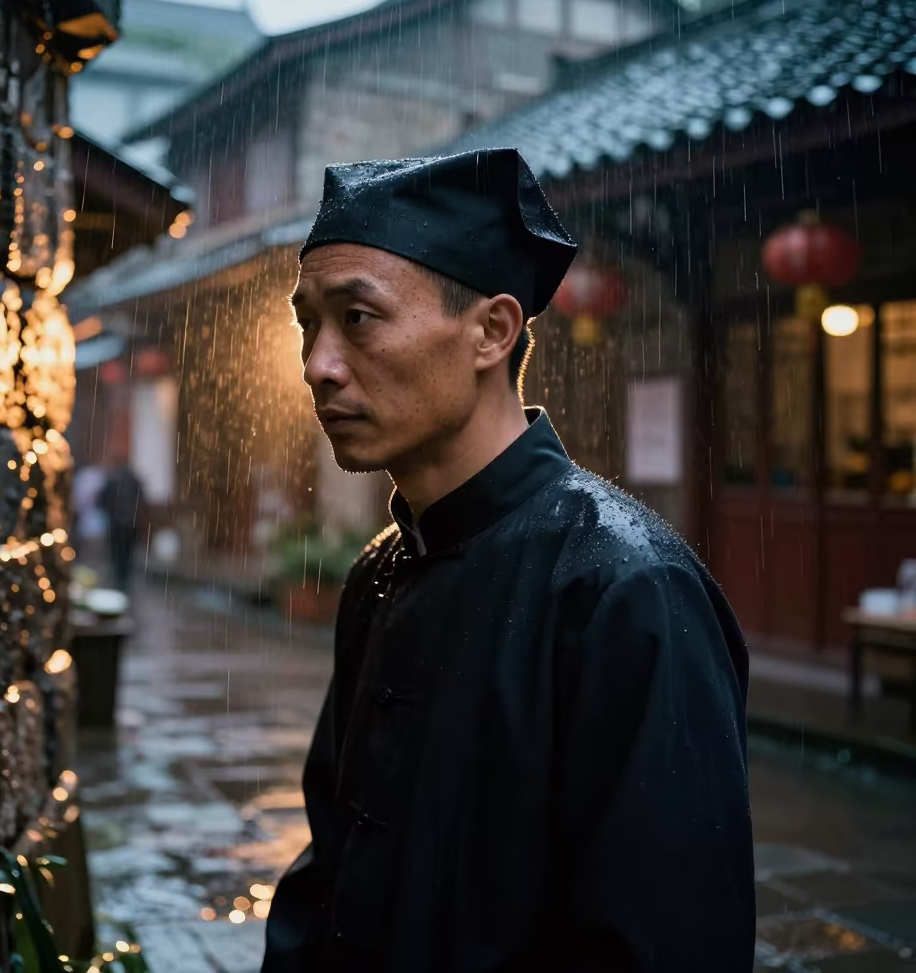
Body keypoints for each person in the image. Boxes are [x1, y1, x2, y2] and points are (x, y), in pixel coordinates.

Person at [262, 149, 755, 972]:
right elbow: (334, 865)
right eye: (307, 324)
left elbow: (667, 941)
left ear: (492, 330)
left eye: (358, 317)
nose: (318, 364)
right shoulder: (380, 572)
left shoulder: (625, 590)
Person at [97, 462, 146, 593]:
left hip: (117, 524)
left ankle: (119, 580)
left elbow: (101, 500)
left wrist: (111, 513)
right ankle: (124, 581)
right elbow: (141, 501)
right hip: (130, 524)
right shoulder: (134, 482)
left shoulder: (112, 481)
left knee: (117, 554)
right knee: (127, 555)